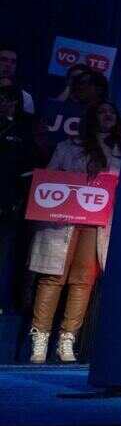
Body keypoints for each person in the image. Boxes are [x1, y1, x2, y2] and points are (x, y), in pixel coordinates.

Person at [28, 100, 121, 364]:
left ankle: (67, 339)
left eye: (111, 112)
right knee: (52, 277)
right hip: (62, 220)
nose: (107, 116)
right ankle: (40, 337)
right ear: (92, 116)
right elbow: (49, 179)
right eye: (102, 111)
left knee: (83, 280)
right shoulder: (68, 146)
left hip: (98, 222)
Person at [1, 84, 34, 314]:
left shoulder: (23, 132)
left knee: (4, 255)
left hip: (9, 203)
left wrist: (16, 199)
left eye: (8, 99)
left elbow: (28, 169)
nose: (4, 103)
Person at [0, 48, 35, 114]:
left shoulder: (25, 95)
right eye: (3, 60)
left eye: (13, 62)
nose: (8, 65)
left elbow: (29, 121)